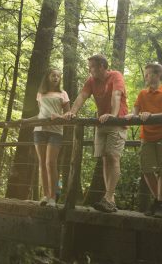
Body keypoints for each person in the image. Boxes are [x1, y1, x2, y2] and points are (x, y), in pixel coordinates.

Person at [62, 54, 128, 213]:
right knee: (105, 158)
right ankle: (109, 199)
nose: (89, 69)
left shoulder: (115, 76)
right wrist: (72, 112)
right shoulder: (91, 81)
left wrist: (112, 114)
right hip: (101, 122)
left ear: (101, 66)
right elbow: (82, 96)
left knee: (113, 156)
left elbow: (116, 95)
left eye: (91, 66)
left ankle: (108, 197)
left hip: (117, 121)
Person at [126, 62, 162, 218]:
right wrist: (132, 116)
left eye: (148, 74)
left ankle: (159, 203)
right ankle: (159, 202)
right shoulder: (142, 94)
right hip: (146, 136)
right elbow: (136, 111)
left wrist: (150, 116)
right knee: (146, 169)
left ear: (158, 75)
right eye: (145, 74)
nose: (145, 77)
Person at [34, 68, 70, 206]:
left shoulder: (63, 94)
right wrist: (25, 120)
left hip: (56, 131)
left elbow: (69, 115)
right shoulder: (40, 94)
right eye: (53, 75)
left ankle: (53, 197)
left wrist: (59, 116)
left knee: (50, 163)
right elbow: (41, 113)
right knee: (42, 163)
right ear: (47, 77)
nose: (56, 78)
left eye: (58, 76)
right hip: (39, 130)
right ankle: (45, 196)